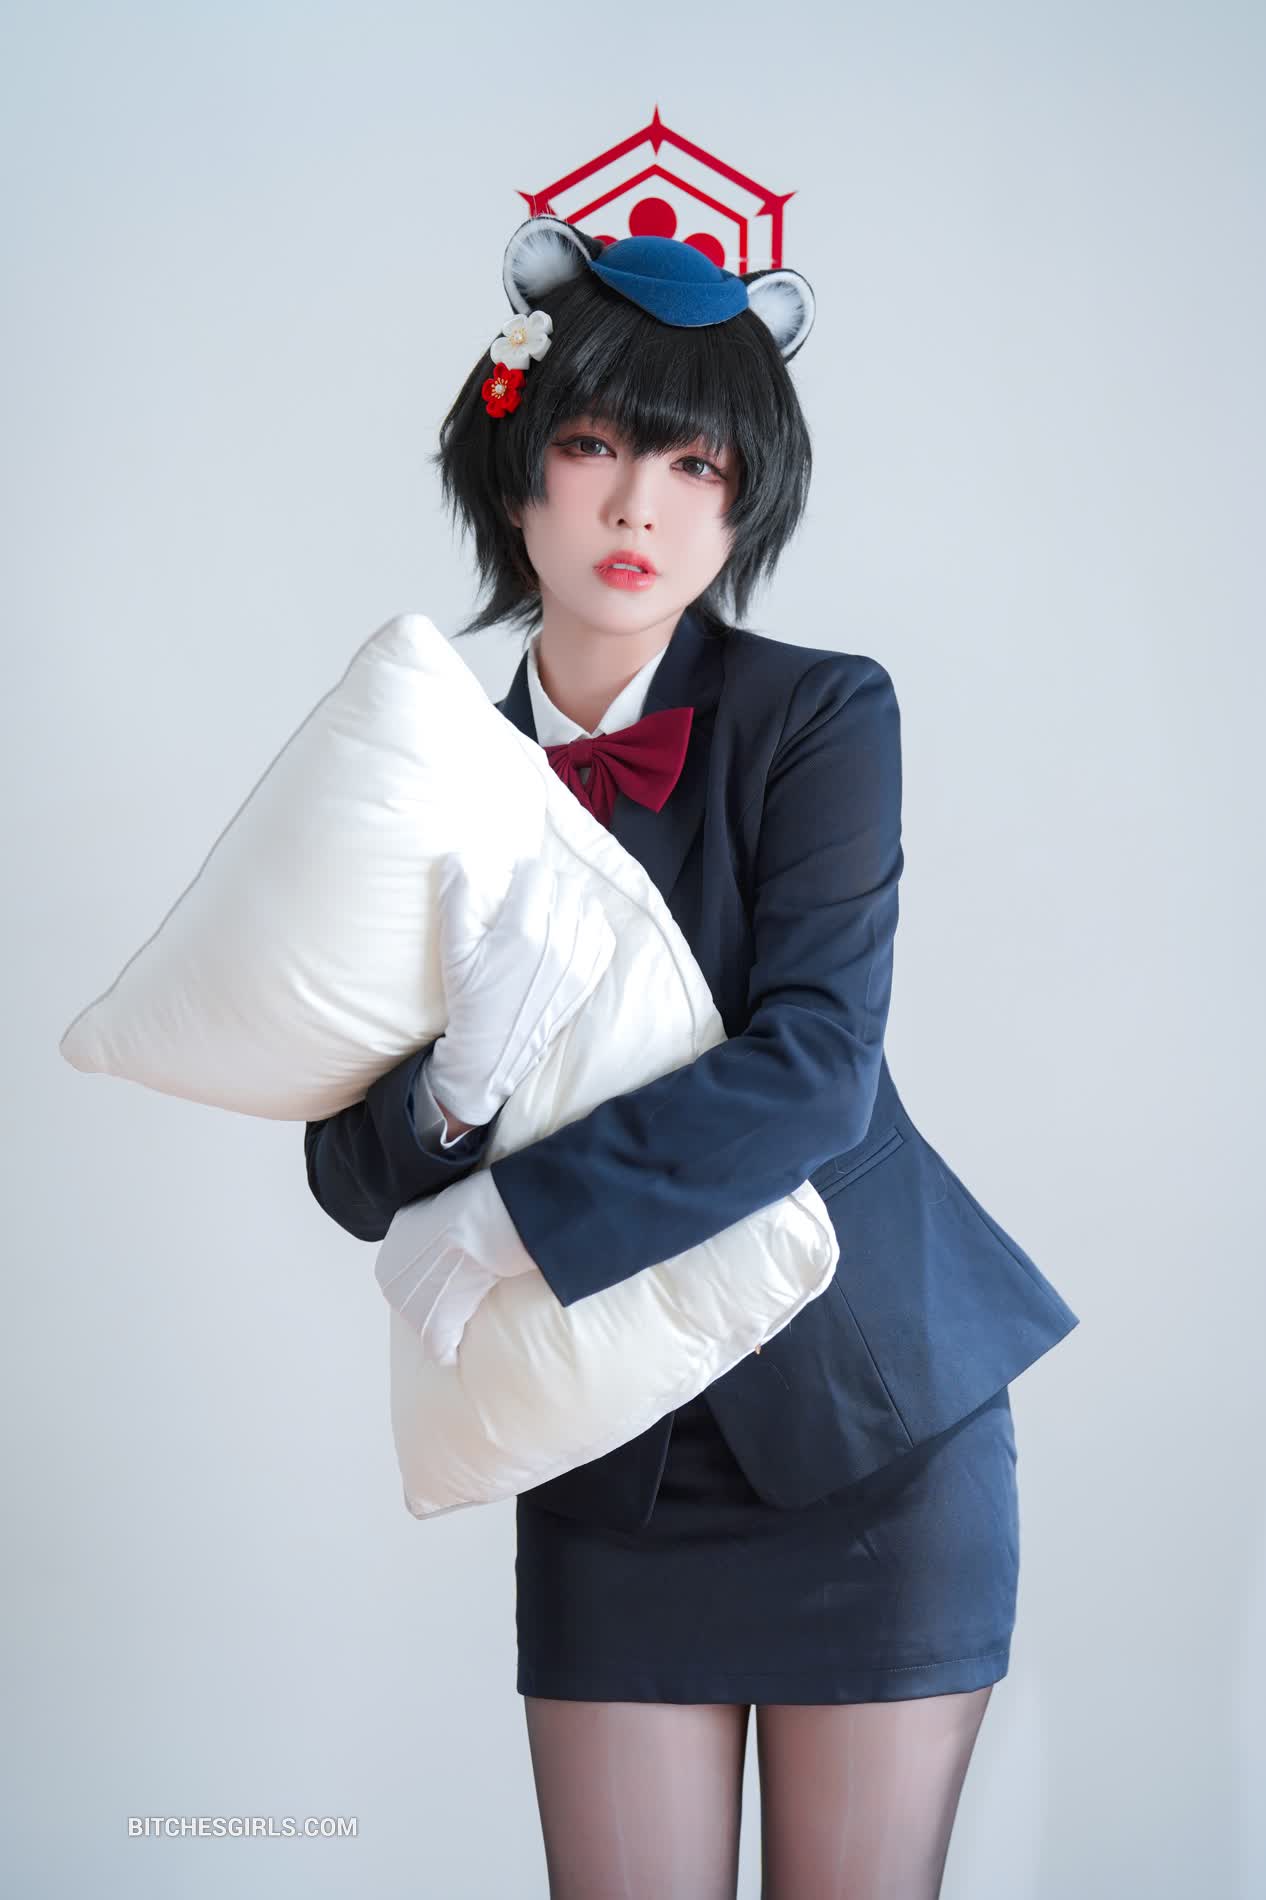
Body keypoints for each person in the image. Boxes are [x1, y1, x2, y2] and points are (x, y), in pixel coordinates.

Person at [305, 216, 1080, 1900]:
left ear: (741, 504)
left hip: (868, 1423)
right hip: (610, 1461)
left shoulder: (818, 714)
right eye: (593, 446)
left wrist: (506, 1218)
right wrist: (447, 1103)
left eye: (692, 463)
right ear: (514, 472)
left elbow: (814, 1069)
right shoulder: (423, 776)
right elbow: (348, 1165)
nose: (636, 507)